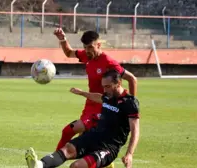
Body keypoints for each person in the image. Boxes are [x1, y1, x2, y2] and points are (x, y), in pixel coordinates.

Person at [25, 69, 140, 168]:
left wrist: (130, 153)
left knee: (76, 166)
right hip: (93, 136)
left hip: (108, 147)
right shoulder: (108, 96)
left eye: (108, 86)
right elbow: (99, 97)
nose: (105, 90)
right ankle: (39, 165)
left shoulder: (130, 103)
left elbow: (135, 131)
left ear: (119, 83)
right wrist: (82, 93)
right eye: (103, 86)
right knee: (67, 149)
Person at [53, 29, 137, 157]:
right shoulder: (87, 56)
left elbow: (132, 79)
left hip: (103, 107)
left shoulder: (109, 62)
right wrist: (62, 39)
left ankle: (52, 159)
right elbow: (69, 53)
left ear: (98, 45)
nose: (87, 50)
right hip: (90, 105)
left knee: (69, 131)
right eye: (85, 47)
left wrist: (130, 104)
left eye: (90, 47)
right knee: (87, 146)